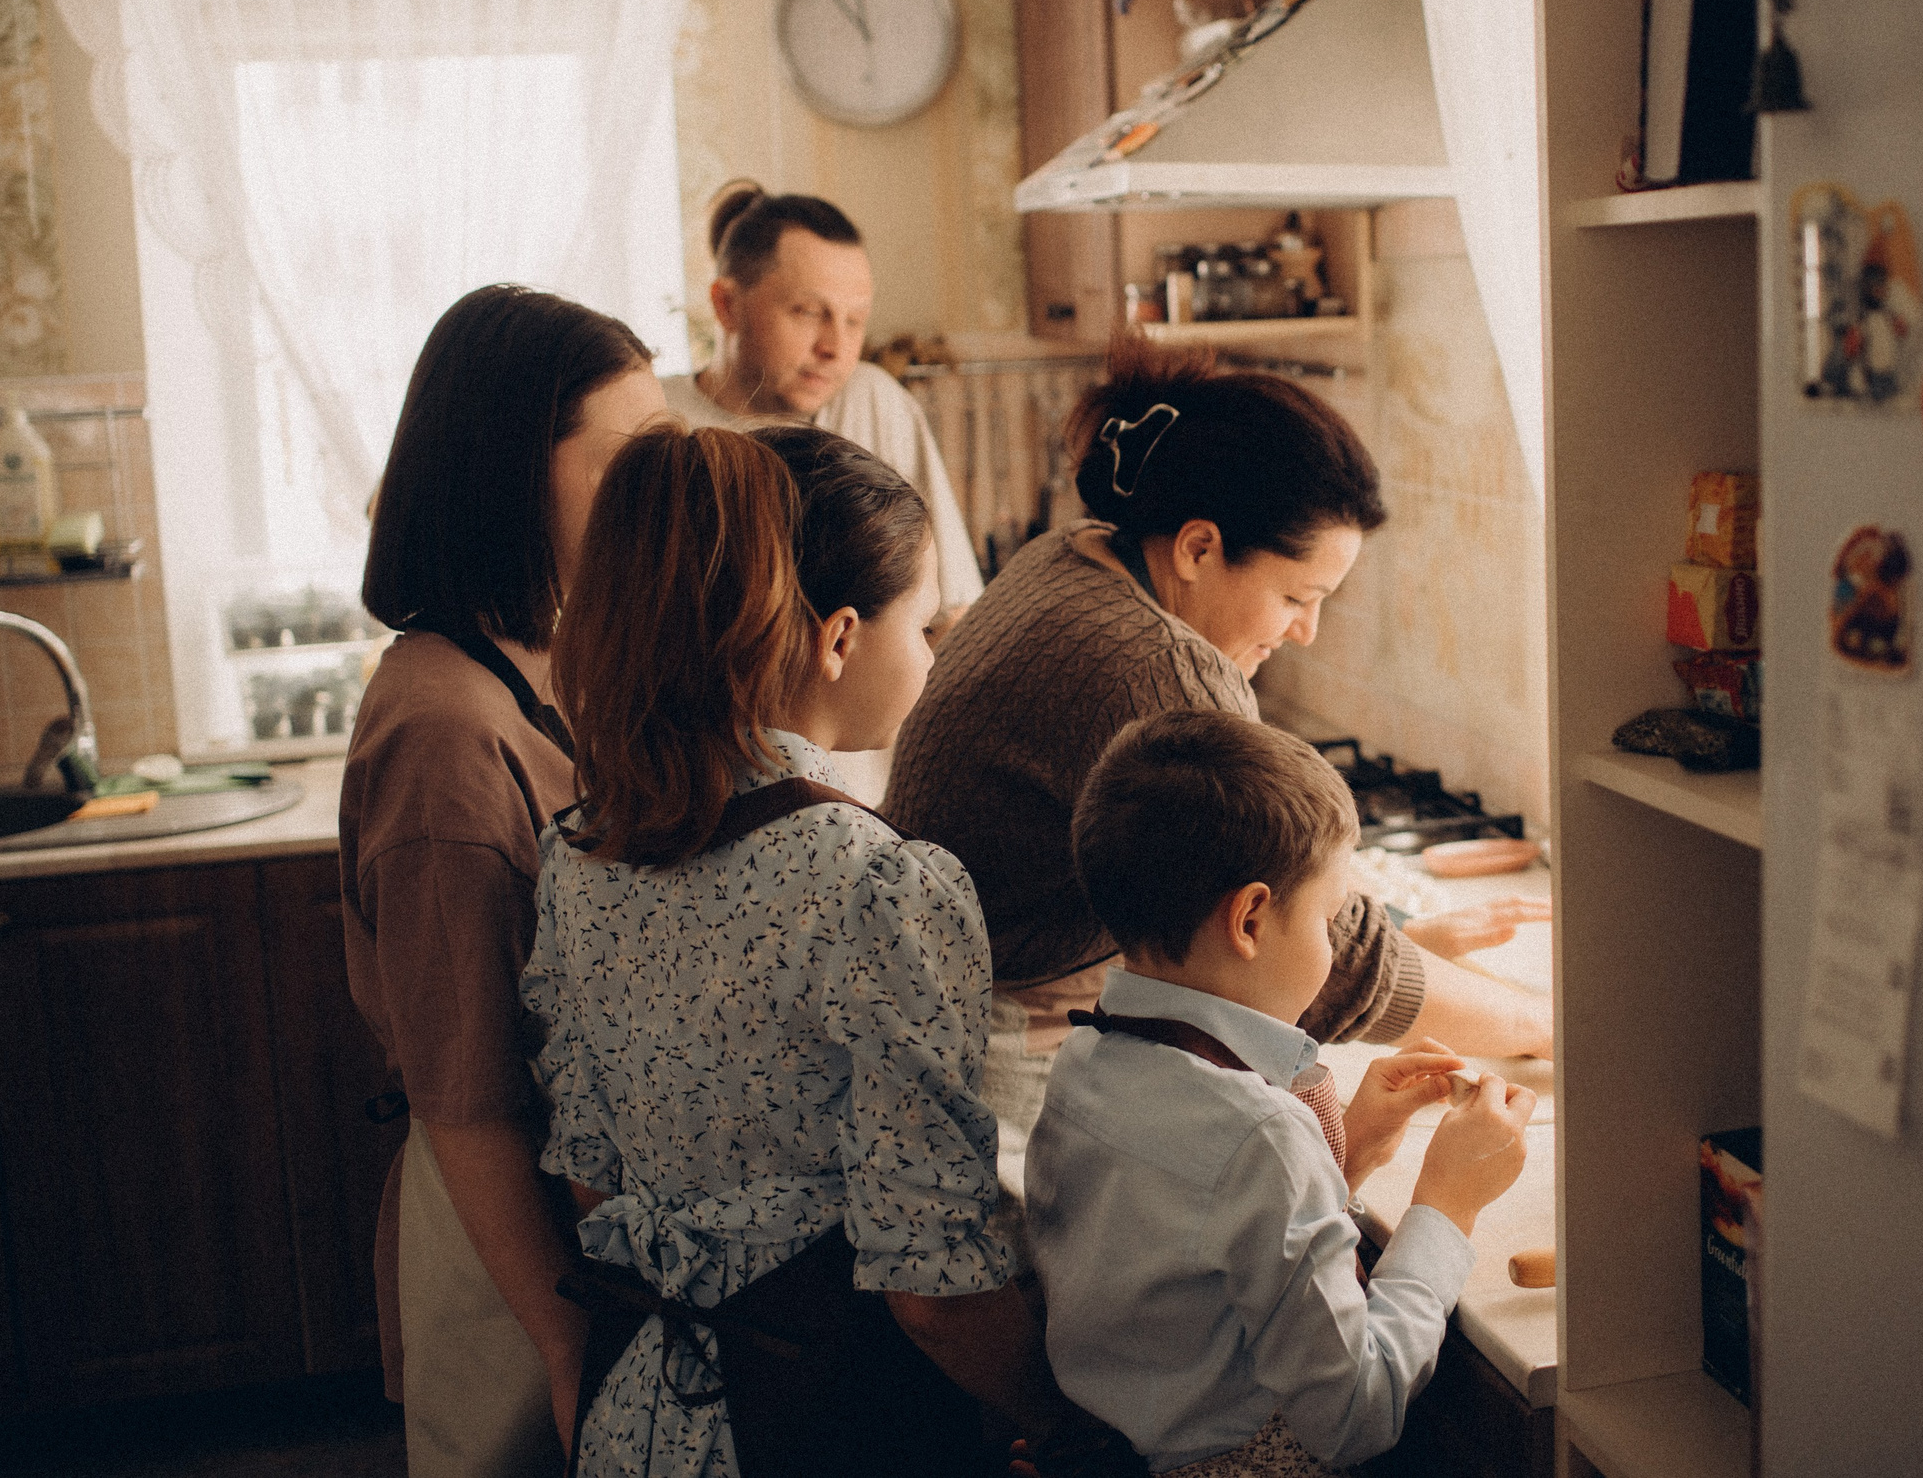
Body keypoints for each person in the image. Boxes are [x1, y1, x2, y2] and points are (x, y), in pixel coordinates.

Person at [523, 423, 1065, 1477]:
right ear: (838, 637)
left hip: (643, 1413)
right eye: (926, 622)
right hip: (828, 1419)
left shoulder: (581, 855)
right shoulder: (879, 885)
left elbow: (589, 1180)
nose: (933, 651)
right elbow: (932, 1293)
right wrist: (1066, 1424)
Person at [884, 340, 1554, 1144]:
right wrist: (1541, 1024)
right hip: (986, 1043)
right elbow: (1326, 956)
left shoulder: (1076, 556)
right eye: (1297, 595)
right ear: (1199, 547)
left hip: (923, 994)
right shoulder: (1154, 663)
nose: (1304, 630)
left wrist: (1404, 943)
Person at [343, 284, 669, 1477]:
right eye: (628, 465)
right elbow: (467, 1095)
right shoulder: (445, 735)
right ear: (508, 473)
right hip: (511, 1249)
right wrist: (565, 1340)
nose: (655, 502)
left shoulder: (534, 653)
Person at [1028, 710, 1537, 1475]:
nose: (1336, 948)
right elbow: (1357, 1412)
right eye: (1331, 919)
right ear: (1252, 917)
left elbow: (1201, 1266)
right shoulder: (1260, 1133)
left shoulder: (1083, 1058)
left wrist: (1349, 1153)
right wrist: (1447, 1203)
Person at [662, 178, 983, 626]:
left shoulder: (873, 403)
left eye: (855, 321)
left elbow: (953, 612)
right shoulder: (659, 421)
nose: (835, 346)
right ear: (727, 305)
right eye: (809, 312)